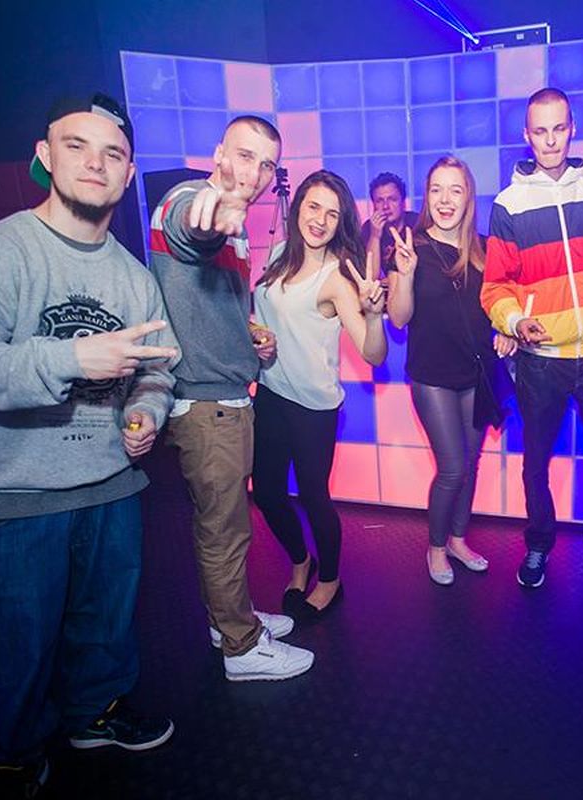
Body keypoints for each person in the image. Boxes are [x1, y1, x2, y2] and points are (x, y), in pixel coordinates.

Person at [0, 93, 179, 795]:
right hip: (12, 492)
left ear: (128, 174)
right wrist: (71, 358)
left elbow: (158, 374)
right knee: (15, 643)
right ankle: (8, 752)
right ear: (44, 156)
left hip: (109, 484)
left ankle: (96, 713)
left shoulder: (134, 277)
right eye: (77, 145)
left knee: (107, 626)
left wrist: (146, 413)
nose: (96, 163)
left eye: (113, 153)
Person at [148, 116, 314, 682]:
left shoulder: (238, 230)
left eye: (267, 164)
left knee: (226, 525)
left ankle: (229, 621)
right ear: (218, 152)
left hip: (225, 398)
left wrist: (250, 334)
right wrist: (215, 215)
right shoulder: (192, 201)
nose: (255, 174)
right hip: (206, 405)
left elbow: (213, 303)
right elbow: (190, 226)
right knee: (224, 531)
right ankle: (242, 650)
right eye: (245, 156)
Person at [481, 87, 583, 589]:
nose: (550, 140)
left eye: (559, 128)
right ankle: (538, 544)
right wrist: (515, 322)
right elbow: (496, 286)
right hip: (540, 361)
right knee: (536, 462)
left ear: (573, 128)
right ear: (526, 135)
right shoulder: (508, 204)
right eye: (540, 131)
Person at [253, 170, 387, 620]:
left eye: (332, 214)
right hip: (270, 393)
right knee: (267, 494)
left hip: (314, 407)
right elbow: (263, 313)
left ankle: (330, 580)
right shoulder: (277, 255)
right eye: (313, 207)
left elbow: (373, 354)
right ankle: (300, 560)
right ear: (298, 209)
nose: (320, 220)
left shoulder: (336, 278)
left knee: (314, 498)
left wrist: (374, 316)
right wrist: (255, 333)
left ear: (340, 221)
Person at [385, 156, 517, 585]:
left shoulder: (486, 250)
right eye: (436, 189)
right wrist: (405, 275)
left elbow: (502, 307)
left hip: (478, 375)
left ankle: (459, 540)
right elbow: (399, 319)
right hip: (432, 377)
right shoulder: (411, 249)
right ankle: (436, 548)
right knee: (453, 468)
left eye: (455, 190)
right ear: (427, 196)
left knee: (471, 464)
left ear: (468, 197)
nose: (445, 199)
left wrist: (508, 331)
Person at [361, 171, 420, 274]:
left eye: (392, 199)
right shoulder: (368, 228)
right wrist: (375, 236)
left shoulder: (418, 223)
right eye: (379, 201)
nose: (385, 206)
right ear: (373, 205)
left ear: (403, 202)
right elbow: (371, 276)